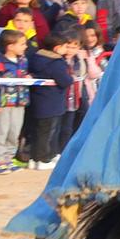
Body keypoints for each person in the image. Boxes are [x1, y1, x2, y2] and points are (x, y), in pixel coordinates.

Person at [25, 24, 79, 170]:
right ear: (57, 48)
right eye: (64, 46)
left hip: (38, 102)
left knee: (37, 132)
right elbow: (65, 81)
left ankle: (33, 158)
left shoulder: (36, 57)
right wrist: (70, 77)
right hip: (52, 104)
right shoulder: (56, 63)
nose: (65, 50)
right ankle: (43, 159)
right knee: (47, 133)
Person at [0, 28, 33, 173]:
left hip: (20, 102)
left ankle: (9, 158)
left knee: (15, 130)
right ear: (10, 46)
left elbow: (23, 75)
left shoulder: (23, 60)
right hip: (5, 103)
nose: (25, 47)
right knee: (2, 130)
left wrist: (28, 78)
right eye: (22, 44)